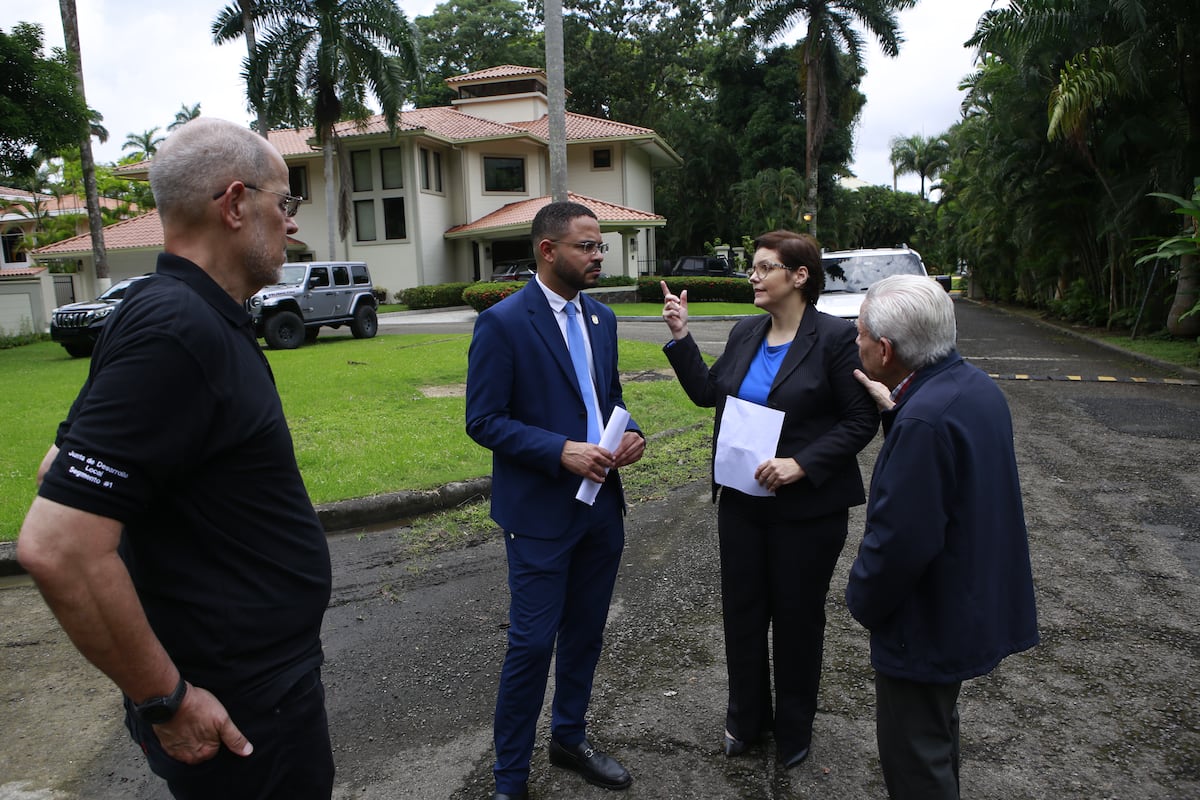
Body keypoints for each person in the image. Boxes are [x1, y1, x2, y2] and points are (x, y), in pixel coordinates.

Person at [17, 117, 334, 800]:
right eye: (285, 203)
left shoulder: (173, 311)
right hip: (238, 713)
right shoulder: (178, 329)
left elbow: (58, 468)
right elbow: (59, 546)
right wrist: (166, 702)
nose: (292, 225)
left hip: (259, 686)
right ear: (235, 204)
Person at [659, 230, 879, 769]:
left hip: (806, 512)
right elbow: (711, 394)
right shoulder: (746, 331)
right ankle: (746, 718)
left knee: (798, 618)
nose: (753, 276)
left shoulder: (834, 338)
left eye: (764, 267)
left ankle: (794, 729)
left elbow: (861, 418)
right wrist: (682, 338)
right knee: (743, 614)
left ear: (799, 276)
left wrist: (801, 464)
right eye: (753, 268)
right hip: (742, 502)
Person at [465, 201, 646, 800]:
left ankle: (569, 738)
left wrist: (633, 434)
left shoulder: (602, 319)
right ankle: (510, 779)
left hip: (601, 507)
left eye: (600, 247)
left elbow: (606, 398)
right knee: (532, 643)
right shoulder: (504, 323)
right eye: (587, 247)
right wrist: (558, 450)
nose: (600, 256)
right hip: (540, 514)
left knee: (587, 632)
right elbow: (484, 420)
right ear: (548, 250)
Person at [845, 274, 1039, 800]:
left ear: (885, 350)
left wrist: (860, 598)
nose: (854, 341)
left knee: (915, 758)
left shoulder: (925, 421)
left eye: (860, 333)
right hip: (964, 600)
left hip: (924, 619)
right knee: (937, 731)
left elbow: (901, 542)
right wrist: (896, 413)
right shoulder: (972, 387)